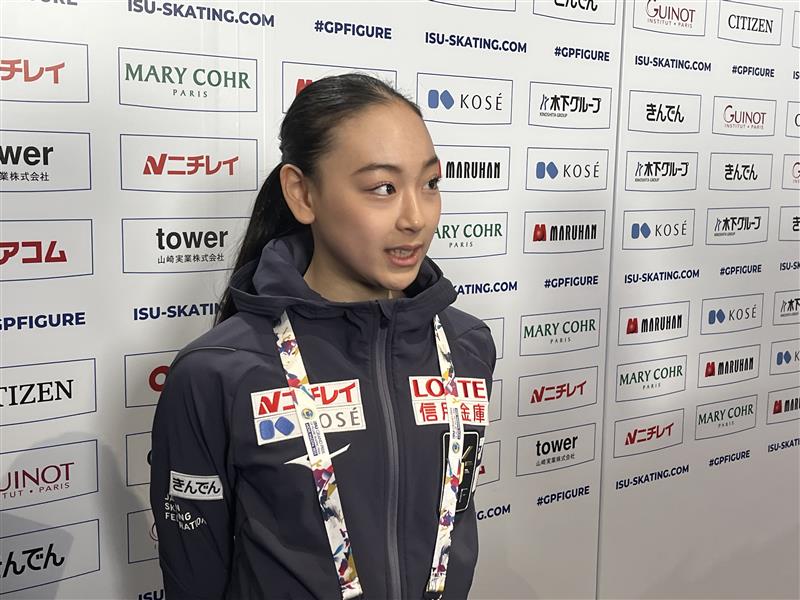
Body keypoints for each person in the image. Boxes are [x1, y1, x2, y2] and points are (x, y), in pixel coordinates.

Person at [149, 73, 497, 600]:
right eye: (383, 188)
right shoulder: (218, 370)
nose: (416, 217)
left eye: (430, 183)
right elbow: (194, 575)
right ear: (302, 193)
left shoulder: (467, 344)